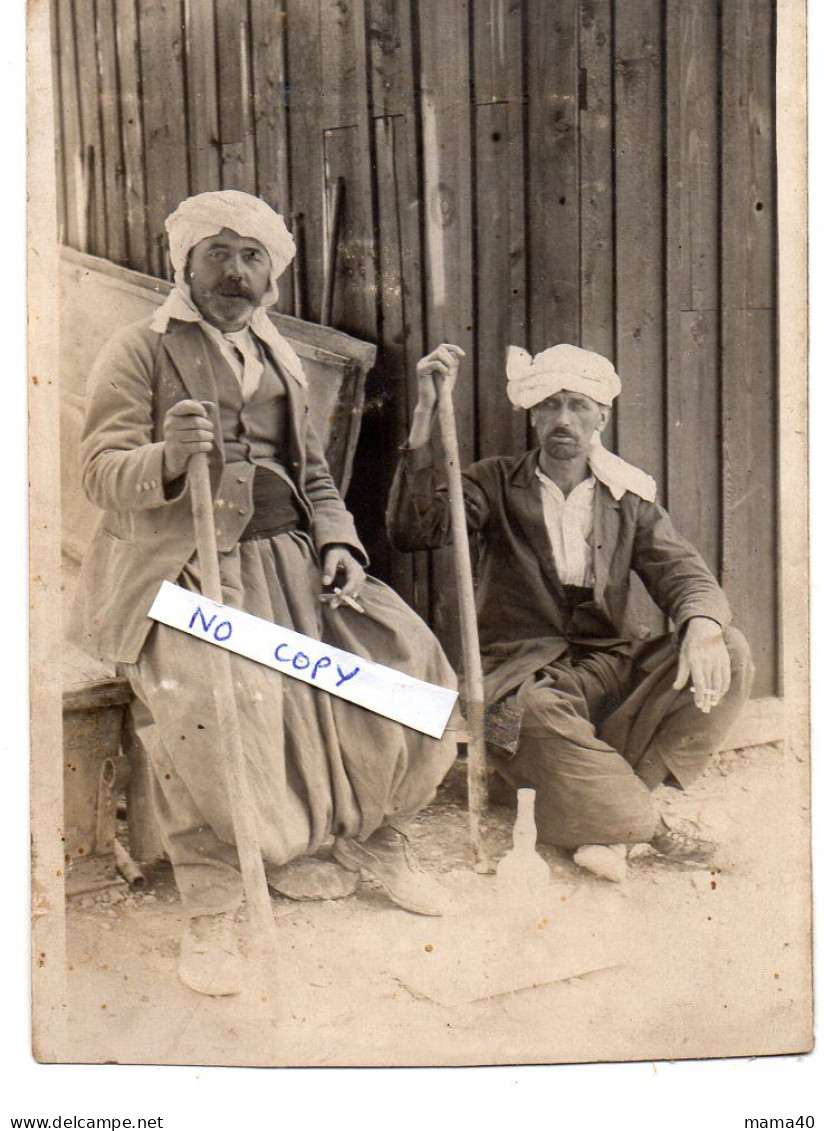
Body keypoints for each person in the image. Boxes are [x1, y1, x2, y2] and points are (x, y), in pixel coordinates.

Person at [72, 190, 458, 996]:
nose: (235, 274)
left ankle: (374, 836)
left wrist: (340, 543)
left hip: (291, 562)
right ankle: (211, 907)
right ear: (183, 263)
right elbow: (99, 474)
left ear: (271, 273)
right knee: (208, 705)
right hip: (183, 571)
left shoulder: (279, 354)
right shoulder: (139, 351)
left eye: (252, 257)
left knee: (404, 666)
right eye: (218, 253)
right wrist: (170, 458)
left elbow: (315, 474)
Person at [387, 341, 754, 883]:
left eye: (578, 405)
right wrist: (424, 418)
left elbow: (682, 572)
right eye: (550, 406)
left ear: (602, 415)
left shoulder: (626, 496)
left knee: (731, 649)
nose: (564, 420)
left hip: (602, 666)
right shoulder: (493, 482)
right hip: (513, 681)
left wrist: (701, 626)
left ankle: (604, 801)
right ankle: (644, 827)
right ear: (532, 415)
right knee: (523, 721)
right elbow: (414, 530)